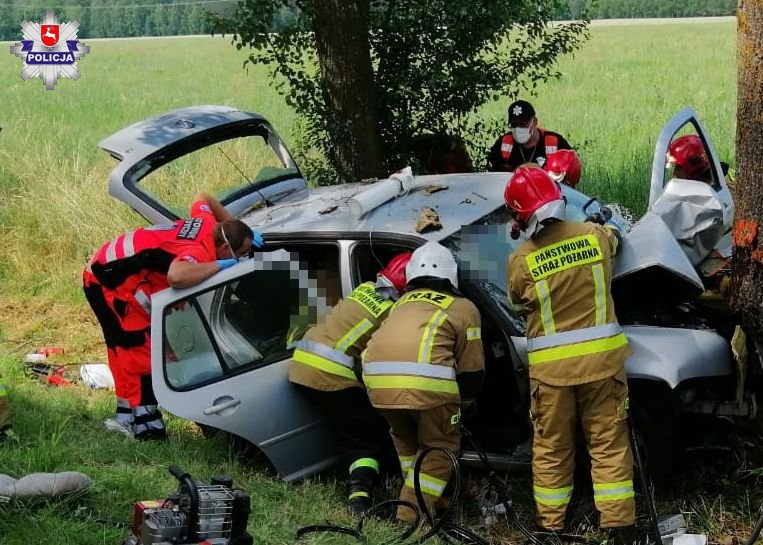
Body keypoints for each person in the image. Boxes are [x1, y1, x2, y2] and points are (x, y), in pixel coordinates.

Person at [505, 167, 635, 543]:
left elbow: (516, 303)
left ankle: (550, 529)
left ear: (521, 215)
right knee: (608, 444)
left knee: (551, 449)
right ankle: (619, 528)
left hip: (551, 376)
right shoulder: (593, 237)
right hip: (603, 368)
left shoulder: (521, 261)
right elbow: (616, 237)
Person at [83, 192, 263, 441]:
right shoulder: (198, 252)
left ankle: (125, 417)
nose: (240, 258)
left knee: (121, 348)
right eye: (239, 253)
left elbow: (204, 198)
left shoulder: (210, 225)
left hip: (108, 269)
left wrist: (246, 231)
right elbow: (176, 277)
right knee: (137, 351)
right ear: (224, 247)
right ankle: (148, 428)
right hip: (108, 280)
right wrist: (220, 266)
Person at [362, 242, 485, 523]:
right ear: (452, 275)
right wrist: (463, 406)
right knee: (440, 447)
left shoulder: (400, 303)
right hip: (430, 390)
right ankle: (409, 516)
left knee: (408, 443)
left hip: (380, 388)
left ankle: (430, 501)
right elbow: (472, 371)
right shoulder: (464, 308)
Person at [288, 252, 412, 515]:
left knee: (350, 425)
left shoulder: (365, 288)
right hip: (330, 372)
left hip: (301, 363)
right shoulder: (395, 311)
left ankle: (375, 481)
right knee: (366, 439)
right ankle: (359, 500)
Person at [487, 99, 572, 172]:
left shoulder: (555, 142)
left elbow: (571, 169)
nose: (518, 128)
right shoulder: (503, 144)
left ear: (534, 122)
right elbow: (492, 177)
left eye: (523, 124)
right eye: (514, 125)